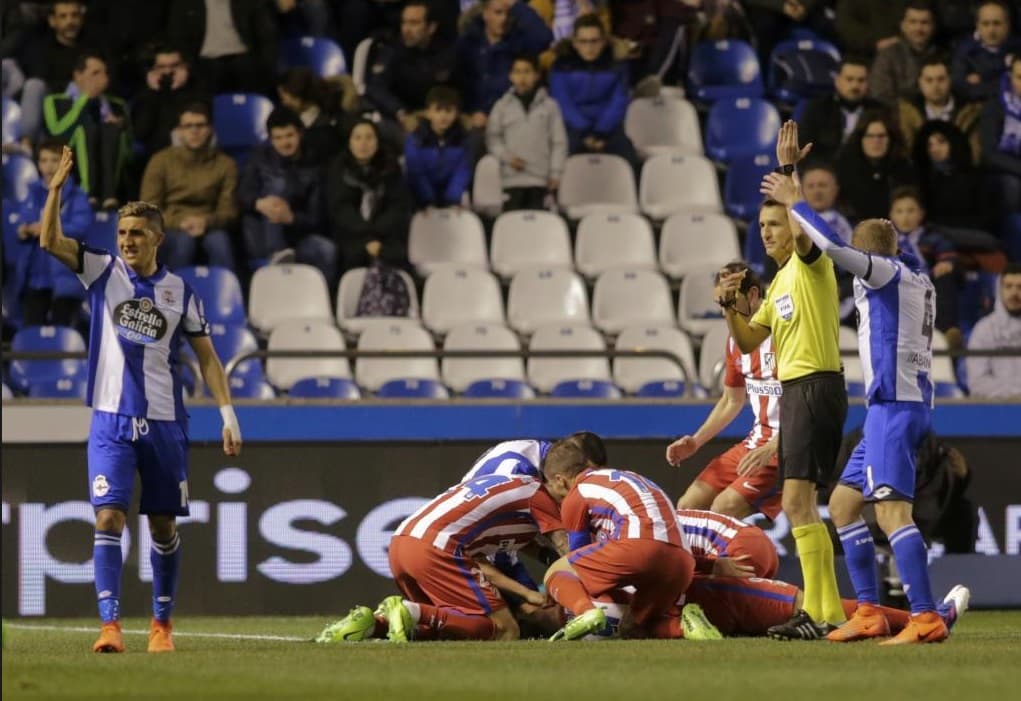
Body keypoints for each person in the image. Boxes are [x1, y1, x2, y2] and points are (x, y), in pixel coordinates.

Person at [38, 146, 242, 653]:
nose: (127, 241)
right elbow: (48, 241)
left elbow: (208, 359)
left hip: (166, 423)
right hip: (110, 420)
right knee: (108, 516)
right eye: (123, 233)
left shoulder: (181, 293)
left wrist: (228, 413)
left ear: (158, 239)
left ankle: (161, 626)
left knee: (163, 525)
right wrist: (55, 190)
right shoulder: (102, 271)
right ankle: (110, 627)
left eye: (137, 234)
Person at [761, 166, 950, 645]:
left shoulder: (883, 273)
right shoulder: (916, 277)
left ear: (870, 256)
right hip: (892, 407)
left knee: (891, 515)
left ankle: (925, 617)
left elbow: (836, 249)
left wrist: (797, 199)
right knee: (844, 505)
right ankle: (868, 611)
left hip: (894, 405)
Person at [719, 121, 848, 638]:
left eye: (776, 223)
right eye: (764, 226)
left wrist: (791, 174)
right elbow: (750, 340)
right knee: (798, 503)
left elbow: (804, 232)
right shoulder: (776, 285)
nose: (768, 232)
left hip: (815, 385)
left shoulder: (811, 265)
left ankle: (823, 614)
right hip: (802, 391)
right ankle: (823, 613)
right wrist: (730, 306)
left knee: (799, 502)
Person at [322, 473, 565, 642]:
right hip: (437, 547)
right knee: (505, 630)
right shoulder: (536, 499)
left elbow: (477, 564)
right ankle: (410, 611)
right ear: (561, 479)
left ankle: (373, 624)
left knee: (448, 629)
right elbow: (566, 548)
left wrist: (526, 593)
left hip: (401, 541)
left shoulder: (503, 498)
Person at [539, 437, 706, 641]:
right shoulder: (627, 476)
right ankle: (685, 627)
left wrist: (566, 595)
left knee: (555, 571)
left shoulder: (575, 495)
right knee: (632, 629)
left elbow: (576, 559)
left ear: (559, 480)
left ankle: (585, 612)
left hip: (638, 547)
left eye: (550, 487)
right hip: (682, 561)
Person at [669, 262, 783, 521]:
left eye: (729, 303)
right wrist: (695, 441)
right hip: (756, 441)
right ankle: (701, 562)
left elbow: (808, 405)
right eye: (721, 304)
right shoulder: (735, 341)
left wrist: (774, 447)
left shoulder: (785, 334)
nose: (724, 313)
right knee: (687, 507)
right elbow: (732, 399)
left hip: (787, 446)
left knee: (724, 508)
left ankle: (736, 561)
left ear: (753, 295)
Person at [139, 103, 238, 271]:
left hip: (209, 224)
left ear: (209, 129)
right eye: (188, 126)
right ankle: (170, 294)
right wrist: (180, 222)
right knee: (184, 242)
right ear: (179, 131)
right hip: (170, 224)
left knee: (220, 242)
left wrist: (206, 221)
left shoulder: (226, 164)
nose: (194, 131)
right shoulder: (160, 161)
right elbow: (148, 210)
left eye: (200, 125)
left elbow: (229, 211)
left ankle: (226, 294)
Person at [237, 107, 331, 281]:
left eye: (289, 136)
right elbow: (242, 195)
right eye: (278, 138)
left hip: (298, 234)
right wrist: (260, 203)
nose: (284, 143)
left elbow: (318, 217)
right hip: (261, 234)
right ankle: (277, 255)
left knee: (326, 250)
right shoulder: (259, 158)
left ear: (300, 134)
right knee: (275, 195)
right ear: (270, 139)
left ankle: (325, 302)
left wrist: (291, 218)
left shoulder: (315, 164)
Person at [14, 137, 93, 326]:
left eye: (54, 160)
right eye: (43, 160)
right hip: (35, 278)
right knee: (30, 332)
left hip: (64, 277)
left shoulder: (76, 195)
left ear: (66, 163)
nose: (49, 166)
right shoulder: (33, 192)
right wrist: (24, 229)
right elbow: (23, 221)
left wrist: (47, 229)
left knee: (62, 331)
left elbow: (81, 227)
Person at [43, 52, 132, 209]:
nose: (103, 78)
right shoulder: (56, 101)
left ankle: (109, 195)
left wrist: (120, 126)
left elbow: (129, 144)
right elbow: (57, 133)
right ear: (78, 76)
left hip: (112, 168)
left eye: (105, 73)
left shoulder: (117, 104)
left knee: (110, 130)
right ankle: (88, 193)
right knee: (87, 131)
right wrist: (84, 99)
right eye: (95, 73)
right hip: (71, 161)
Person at [549, 14, 638, 166]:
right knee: (563, 157)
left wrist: (601, 132)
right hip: (571, 127)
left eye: (594, 41)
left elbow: (619, 100)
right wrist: (584, 132)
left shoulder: (617, 64)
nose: (589, 48)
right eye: (583, 42)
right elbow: (563, 103)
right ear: (575, 43)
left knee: (629, 159)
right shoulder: (561, 65)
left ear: (603, 41)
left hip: (608, 127)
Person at [485, 54, 568, 211]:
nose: (522, 77)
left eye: (527, 72)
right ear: (511, 76)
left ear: (536, 75)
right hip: (511, 180)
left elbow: (559, 142)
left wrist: (555, 173)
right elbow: (493, 139)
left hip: (541, 180)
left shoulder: (550, 106)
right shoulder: (501, 106)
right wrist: (507, 158)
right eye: (517, 72)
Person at [328, 119, 412, 272]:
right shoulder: (337, 168)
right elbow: (341, 209)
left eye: (369, 137)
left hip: (385, 234)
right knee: (353, 255)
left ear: (378, 141)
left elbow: (397, 206)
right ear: (349, 142)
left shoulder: (391, 167)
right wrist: (368, 238)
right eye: (357, 138)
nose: (363, 143)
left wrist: (376, 236)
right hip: (352, 235)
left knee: (396, 255)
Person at [455, 0, 555, 127]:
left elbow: (544, 38)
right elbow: (459, 82)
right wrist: (470, 114)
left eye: (508, 14)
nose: (503, 19)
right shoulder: (468, 42)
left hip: (510, 117)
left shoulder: (518, 42)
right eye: (498, 13)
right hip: (474, 118)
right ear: (485, 14)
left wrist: (515, 4)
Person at [364, 0, 458, 135]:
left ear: (431, 27)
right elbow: (376, 87)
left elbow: (457, 88)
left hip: (440, 117)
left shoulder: (447, 53)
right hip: (400, 117)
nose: (406, 29)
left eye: (414, 23)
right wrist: (400, 111)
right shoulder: (391, 50)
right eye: (404, 22)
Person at [889, 186, 963, 343]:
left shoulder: (932, 237)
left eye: (911, 211)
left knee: (946, 276)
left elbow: (949, 255)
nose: (905, 217)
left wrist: (946, 263)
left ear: (921, 214)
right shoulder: (886, 241)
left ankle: (946, 333)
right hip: (896, 287)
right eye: (899, 211)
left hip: (927, 286)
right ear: (891, 215)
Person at [167, 0, 278, 95]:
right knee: (204, 76)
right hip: (205, 62)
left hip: (244, 58)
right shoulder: (185, 3)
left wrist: (266, 63)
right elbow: (178, 37)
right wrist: (188, 63)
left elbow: (267, 35)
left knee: (252, 71)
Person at [898, 57, 984, 165]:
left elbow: (974, 154)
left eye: (941, 79)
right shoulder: (907, 111)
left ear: (950, 80)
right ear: (920, 83)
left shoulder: (970, 110)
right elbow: (907, 151)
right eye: (929, 80)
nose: (935, 86)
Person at [800, 57, 886, 163]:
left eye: (861, 80)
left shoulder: (880, 111)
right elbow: (804, 148)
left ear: (868, 83)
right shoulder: (817, 108)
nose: (855, 86)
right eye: (849, 79)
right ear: (837, 81)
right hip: (825, 171)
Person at [131, 45, 209, 160]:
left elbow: (198, 123)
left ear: (185, 66)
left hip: (193, 154)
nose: (168, 71)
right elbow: (140, 132)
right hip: (157, 158)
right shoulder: (146, 95)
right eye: (161, 67)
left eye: (175, 65)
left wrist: (180, 89)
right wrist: (154, 92)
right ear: (153, 69)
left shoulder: (198, 90)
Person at [403, 86, 473, 209]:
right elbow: (416, 173)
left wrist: (453, 200)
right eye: (438, 110)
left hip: (452, 200)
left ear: (456, 113)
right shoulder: (415, 138)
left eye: (449, 111)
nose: (443, 116)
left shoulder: (463, 139)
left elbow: (462, 171)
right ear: (428, 112)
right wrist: (427, 201)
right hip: (419, 200)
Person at [836, 116, 916, 221]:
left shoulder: (905, 170)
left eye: (881, 136)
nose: (876, 141)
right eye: (870, 136)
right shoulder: (844, 170)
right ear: (860, 139)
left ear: (891, 139)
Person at [911, 121, 986, 231]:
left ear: (954, 143)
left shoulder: (976, 177)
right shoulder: (921, 180)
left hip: (972, 235)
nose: (935, 149)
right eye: (929, 145)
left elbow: (986, 217)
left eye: (941, 142)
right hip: (934, 236)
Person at [867, 0, 939, 106]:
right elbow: (879, 93)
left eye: (924, 23)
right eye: (913, 22)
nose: (919, 28)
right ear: (903, 26)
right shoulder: (888, 55)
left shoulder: (942, 55)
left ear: (933, 27)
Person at [965, 263, 1021, 398]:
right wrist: (1014, 394)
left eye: (1020, 287)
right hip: (996, 410)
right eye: (1008, 286)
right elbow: (977, 382)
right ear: (999, 290)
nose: (1014, 292)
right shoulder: (983, 329)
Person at [676, 508, 779, 579]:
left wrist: (710, 565)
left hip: (738, 548)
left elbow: (676, 560)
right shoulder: (668, 515)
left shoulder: (662, 528)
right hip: (759, 540)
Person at [951, 0, 1021, 103]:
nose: (991, 30)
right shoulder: (964, 51)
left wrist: (983, 80)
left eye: (997, 23)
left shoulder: (1018, 49)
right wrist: (1006, 84)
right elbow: (960, 89)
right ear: (977, 25)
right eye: (985, 24)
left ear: (1008, 25)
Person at [276, 68, 349, 165]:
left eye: (284, 97)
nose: (283, 103)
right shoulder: (285, 118)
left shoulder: (327, 126)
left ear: (298, 96)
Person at [979, 57, 1021, 225]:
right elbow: (990, 154)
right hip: (1003, 171)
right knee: (1012, 185)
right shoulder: (996, 105)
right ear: (1011, 77)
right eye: (1020, 77)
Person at [834, 0, 908, 57]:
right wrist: (875, 43)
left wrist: (902, 40)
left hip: (904, 53)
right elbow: (844, 24)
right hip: (862, 56)